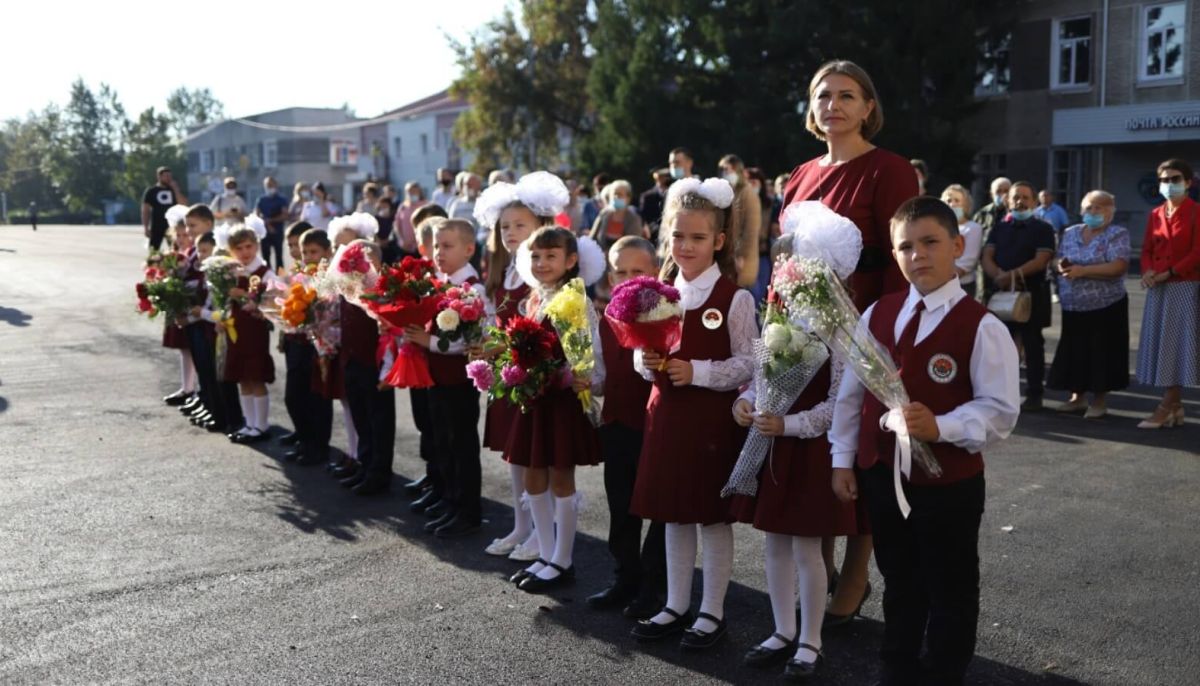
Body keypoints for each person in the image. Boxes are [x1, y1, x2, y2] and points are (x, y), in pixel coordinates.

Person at [830, 196, 1020, 686]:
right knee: (899, 579)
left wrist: (943, 426)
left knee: (951, 588)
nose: (918, 255)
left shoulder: (981, 326)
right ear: (895, 255)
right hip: (882, 475)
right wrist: (843, 460)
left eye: (931, 242)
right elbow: (851, 395)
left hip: (948, 485)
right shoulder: (878, 312)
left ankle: (943, 673)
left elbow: (999, 412)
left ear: (958, 246)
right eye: (906, 246)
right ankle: (897, 667)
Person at [779, 58, 918, 623]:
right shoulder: (799, 174)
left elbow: (899, 259)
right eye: (823, 96)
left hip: (860, 334)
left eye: (846, 95)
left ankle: (857, 577)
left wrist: (883, 337)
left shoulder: (889, 170)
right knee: (814, 458)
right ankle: (821, 566)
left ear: (868, 107)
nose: (832, 105)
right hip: (801, 336)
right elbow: (785, 257)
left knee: (858, 457)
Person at [731, 212, 861, 681]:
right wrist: (745, 404)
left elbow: (840, 405)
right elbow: (759, 377)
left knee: (808, 548)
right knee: (775, 545)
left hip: (808, 449)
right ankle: (782, 630)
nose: (788, 276)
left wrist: (789, 424)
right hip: (774, 447)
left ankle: (811, 640)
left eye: (799, 267)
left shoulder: (841, 331)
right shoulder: (778, 318)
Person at [629, 177, 754, 651]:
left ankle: (712, 611)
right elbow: (641, 358)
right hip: (665, 418)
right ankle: (675, 603)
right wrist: (646, 362)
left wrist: (697, 371)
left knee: (710, 517)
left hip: (710, 423)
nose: (686, 246)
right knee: (673, 514)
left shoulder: (734, 298)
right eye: (678, 236)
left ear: (718, 241)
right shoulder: (657, 295)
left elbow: (748, 362)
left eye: (698, 238)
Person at [505, 222, 607, 594]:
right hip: (535, 399)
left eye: (551, 256)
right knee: (533, 474)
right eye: (535, 256)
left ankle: (562, 560)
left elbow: (589, 352)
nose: (542, 263)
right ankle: (545, 554)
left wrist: (579, 376)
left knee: (560, 476)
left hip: (561, 400)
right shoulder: (535, 298)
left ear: (571, 260)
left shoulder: (575, 299)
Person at [587, 236, 666, 620]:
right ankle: (626, 577)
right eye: (620, 271)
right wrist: (583, 379)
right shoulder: (607, 319)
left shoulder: (668, 316)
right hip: (616, 424)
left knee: (658, 508)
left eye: (638, 271)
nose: (629, 278)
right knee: (621, 507)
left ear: (654, 272)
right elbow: (602, 376)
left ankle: (655, 587)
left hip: (653, 427)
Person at [473, 181, 544, 562]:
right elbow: (490, 323)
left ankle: (541, 531)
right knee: (515, 456)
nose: (511, 233)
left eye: (520, 225)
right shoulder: (502, 276)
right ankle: (521, 524)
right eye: (505, 227)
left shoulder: (540, 276)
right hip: (507, 378)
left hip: (534, 380)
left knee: (535, 457)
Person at [404, 219, 488, 538]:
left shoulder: (472, 289)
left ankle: (468, 510)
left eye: (448, 246)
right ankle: (450, 500)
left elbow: (472, 339)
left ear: (469, 249)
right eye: (437, 246)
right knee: (444, 442)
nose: (439, 252)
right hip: (436, 378)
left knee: (461, 444)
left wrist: (430, 342)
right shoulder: (439, 283)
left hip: (458, 382)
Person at [1048, 191, 1130, 419]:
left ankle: (1099, 401)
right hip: (1073, 304)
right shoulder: (1071, 232)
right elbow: (1057, 258)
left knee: (1101, 353)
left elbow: (1118, 267)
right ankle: (1077, 398)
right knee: (1075, 351)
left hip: (1106, 305)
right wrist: (1061, 266)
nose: (1093, 212)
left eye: (1099, 208)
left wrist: (1083, 271)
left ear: (1110, 211)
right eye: (1089, 208)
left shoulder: (1117, 234)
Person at [1135, 158, 1200, 429]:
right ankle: (1175, 406)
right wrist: (1149, 271)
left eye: (1175, 179)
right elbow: (1147, 249)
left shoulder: (1197, 212)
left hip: (1184, 287)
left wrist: (1170, 272)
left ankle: (1166, 405)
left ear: (1188, 183)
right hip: (1158, 287)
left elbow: (1198, 252)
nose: (1169, 184)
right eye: (1164, 180)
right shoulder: (1156, 214)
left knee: (1177, 347)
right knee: (1164, 346)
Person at [981, 181, 1056, 411]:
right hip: (1001, 293)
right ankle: (1000, 394)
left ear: (1034, 201)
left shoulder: (1043, 228)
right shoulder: (999, 227)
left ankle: (1035, 394)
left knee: (1033, 344)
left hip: (1032, 294)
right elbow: (987, 256)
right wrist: (998, 276)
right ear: (1007, 200)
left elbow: (1041, 260)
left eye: (1025, 197)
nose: (1019, 201)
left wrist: (1011, 275)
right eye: (1015, 197)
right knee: (1000, 345)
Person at [333, 240, 397, 496]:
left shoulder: (383, 289)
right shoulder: (348, 289)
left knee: (378, 418)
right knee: (360, 415)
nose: (359, 268)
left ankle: (379, 472)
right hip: (352, 359)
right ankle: (365, 463)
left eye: (366, 262)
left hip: (376, 362)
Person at [211, 220, 278, 444]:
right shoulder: (230, 272)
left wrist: (244, 296)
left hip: (255, 332)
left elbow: (273, 303)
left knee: (255, 377)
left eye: (249, 246)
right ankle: (249, 424)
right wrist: (221, 318)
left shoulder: (265, 272)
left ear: (257, 246)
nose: (244, 252)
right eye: (238, 248)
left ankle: (261, 425)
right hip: (235, 332)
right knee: (242, 378)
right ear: (231, 251)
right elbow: (223, 302)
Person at [160, 205, 198, 407]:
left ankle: (196, 391)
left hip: (192, 306)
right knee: (184, 349)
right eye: (179, 235)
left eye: (186, 234)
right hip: (179, 305)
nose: (183, 238)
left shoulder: (194, 253)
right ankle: (187, 387)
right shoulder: (174, 254)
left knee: (194, 349)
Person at [718, 154, 763, 290]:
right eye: (724, 170)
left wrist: (740, 255)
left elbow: (751, 229)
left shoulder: (748, 193)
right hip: (727, 258)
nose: (727, 173)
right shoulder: (728, 193)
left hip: (741, 261)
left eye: (730, 169)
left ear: (738, 170)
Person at [941, 184, 984, 299]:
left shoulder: (973, 228)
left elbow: (968, 262)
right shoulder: (938, 228)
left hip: (962, 285)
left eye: (957, 200)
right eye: (948, 200)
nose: (952, 204)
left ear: (965, 204)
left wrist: (941, 278)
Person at [590, 179, 646, 252]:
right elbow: (592, 237)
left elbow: (634, 245)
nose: (616, 197)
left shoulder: (634, 218)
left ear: (628, 197)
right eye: (614, 194)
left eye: (620, 194)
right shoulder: (604, 214)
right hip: (600, 259)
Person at [142, 166, 187, 252]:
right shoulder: (151, 191)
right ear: (159, 177)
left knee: (175, 248)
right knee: (154, 250)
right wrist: (146, 227)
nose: (168, 178)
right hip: (157, 224)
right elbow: (145, 210)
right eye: (166, 176)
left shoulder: (174, 190)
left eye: (170, 176)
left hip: (172, 224)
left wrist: (175, 189)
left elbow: (183, 204)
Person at [255, 176, 289, 271]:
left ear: (276, 185)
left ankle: (281, 279)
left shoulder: (281, 199)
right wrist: (266, 223)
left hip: (277, 231)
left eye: (271, 184)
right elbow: (257, 214)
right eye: (267, 185)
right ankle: (267, 278)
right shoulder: (261, 200)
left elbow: (285, 215)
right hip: (264, 233)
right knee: (266, 257)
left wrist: (271, 221)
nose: (270, 187)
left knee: (279, 256)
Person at [393, 181, 429, 256]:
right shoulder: (403, 206)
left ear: (419, 191)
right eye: (409, 191)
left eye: (414, 191)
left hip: (420, 246)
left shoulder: (426, 205)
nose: (411, 193)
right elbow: (397, 224)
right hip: (404, 247)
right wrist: (402, 240)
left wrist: (413, 241)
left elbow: (426, 225)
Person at [973, 176, 1011, 241]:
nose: (1002, 194)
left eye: (1006, 191)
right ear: (992, 194)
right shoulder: (982, 214)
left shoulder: (1016, 212)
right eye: (998, 191)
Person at [638, 169, 672, 241]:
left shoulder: (675, 194)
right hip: (654, 235)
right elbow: (644, 218)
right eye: (662, 177)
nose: (665, 179)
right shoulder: (647, 196)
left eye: (667, 177)